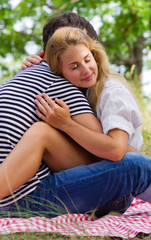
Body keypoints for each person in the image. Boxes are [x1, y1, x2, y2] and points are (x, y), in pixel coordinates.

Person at [0, 12, 151, 218]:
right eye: (73, 65)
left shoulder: (26, 77)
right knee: (137, 166)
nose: (85, 68)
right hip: (28, 198)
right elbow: (112, 151)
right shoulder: (62, 87)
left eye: (87, 56)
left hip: (12, 196)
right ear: (54, 60)